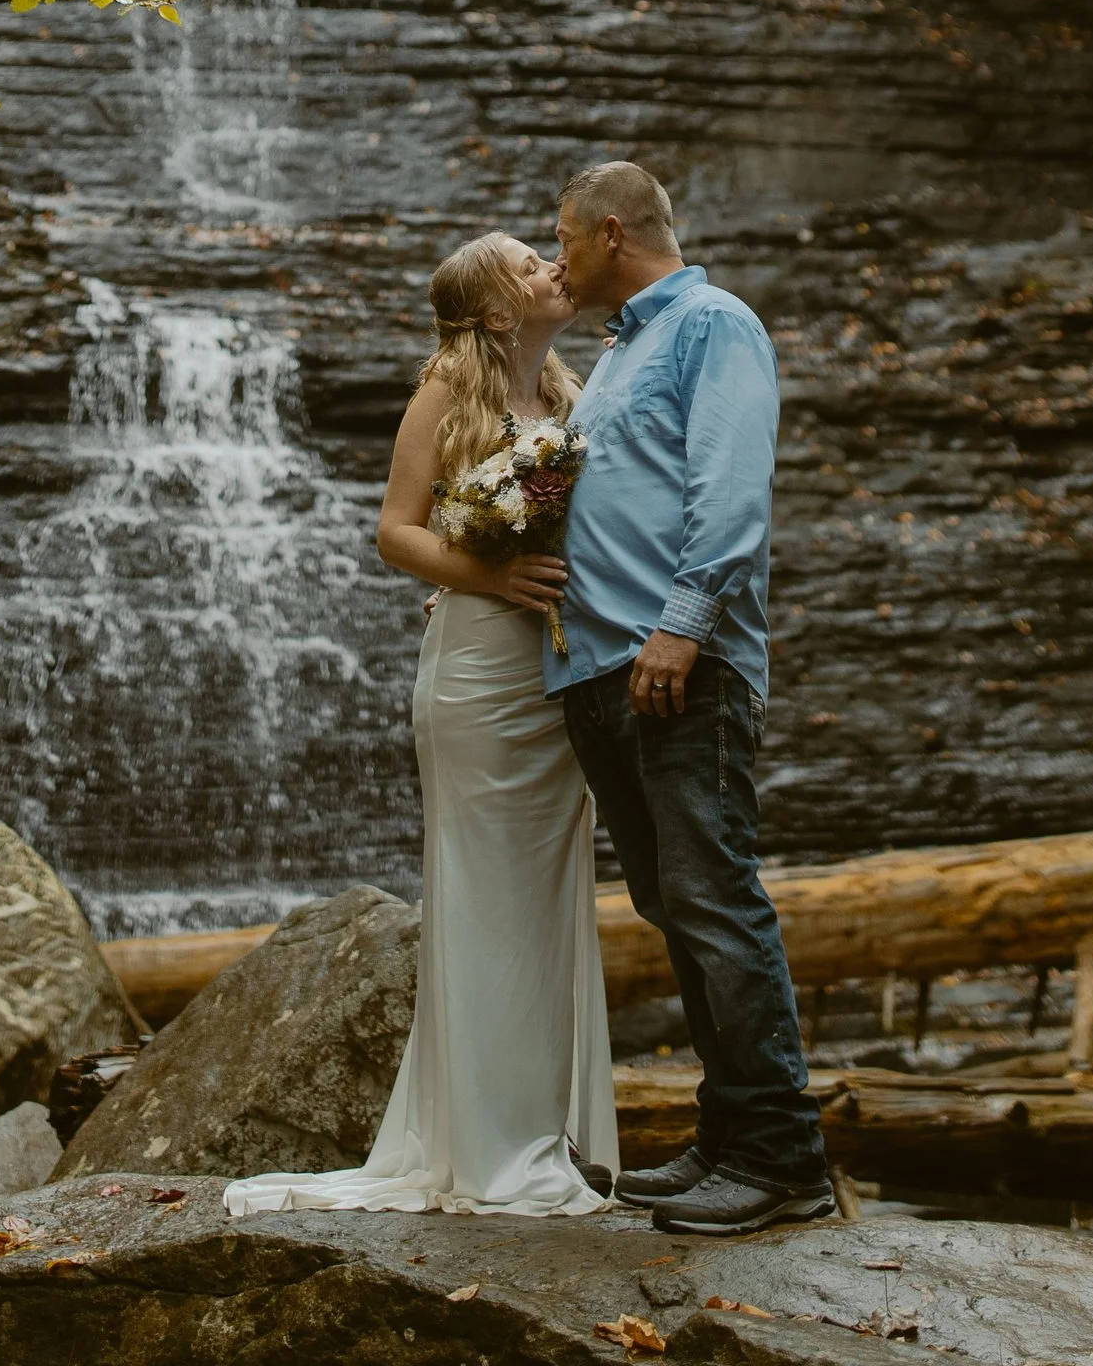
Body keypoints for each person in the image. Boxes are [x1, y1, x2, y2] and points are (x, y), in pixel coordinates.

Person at [223, 230, 618, 1220]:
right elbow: (396, 529)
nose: (549, 269)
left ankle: (547, 1132)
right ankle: (488, 1152)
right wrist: (483, 574)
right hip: (481, 675)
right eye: (529, 266)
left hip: (553, 665)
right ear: (494, 313)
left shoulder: (566, 393)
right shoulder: (449, 386)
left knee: (548, 898)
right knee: (483, 899)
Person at [551, 158, 834, 1237]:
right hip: (604, 669)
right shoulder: (620, 354)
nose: (556, 261)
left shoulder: (712, 324)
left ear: (612, 233)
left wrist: (682, 625)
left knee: (714, 898)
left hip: (677, 663)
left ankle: (781, 1158)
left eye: (564, 241)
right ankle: (728, 1137)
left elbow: (729, 484)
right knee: (678, 905)